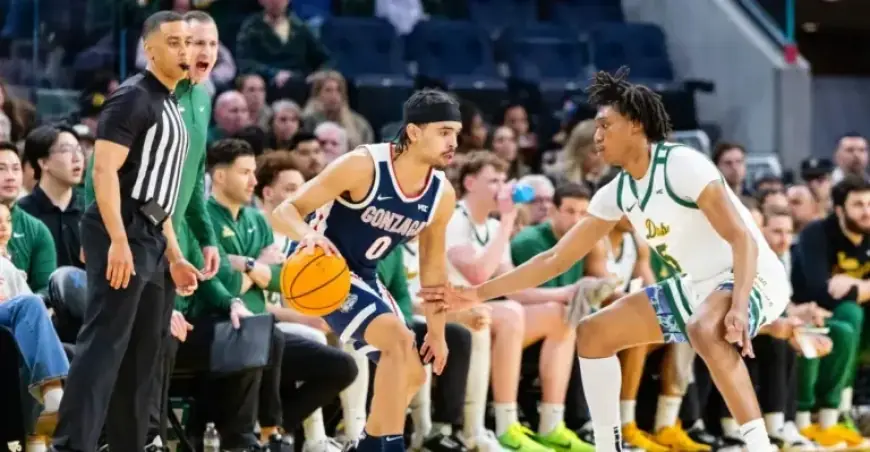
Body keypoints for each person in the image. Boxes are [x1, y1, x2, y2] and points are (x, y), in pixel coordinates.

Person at [420, 68, 791, 451]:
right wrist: (478, 293)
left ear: (635, 125)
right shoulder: (616, 193)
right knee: (594, 333)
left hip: (753, 275)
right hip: (697, 286)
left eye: (605, 125)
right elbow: (554, 258)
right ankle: (607, 445)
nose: (596, 136)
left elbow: (742, 238)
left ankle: (759, 445)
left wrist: (741, 304)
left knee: (703, 327)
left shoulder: (683, 164)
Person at [272, 88, 459, 452]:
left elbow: (433, 269)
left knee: (414, 372)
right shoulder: (363, 165)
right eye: (444, 131)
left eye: (456, 132)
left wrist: (437, 332)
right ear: (415, 132)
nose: (453, 141)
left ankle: (367, 445)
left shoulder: (441, 194)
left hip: (363, 275)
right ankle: (384, 446)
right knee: (398, 340)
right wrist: (308, 235)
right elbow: (285, 212)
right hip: (320, 268)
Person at [50, 11, 203, 452]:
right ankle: (70, 445)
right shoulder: (132, 98)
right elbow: (104, 173)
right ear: (149, 49)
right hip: (124, 229)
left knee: (145, 358)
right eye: (172, 42)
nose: (183, 50)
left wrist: (174, 255)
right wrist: (117, 240)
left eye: (187, 42)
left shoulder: (174, 103)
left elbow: (162, 194)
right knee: (104, 348)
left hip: (152, 234)